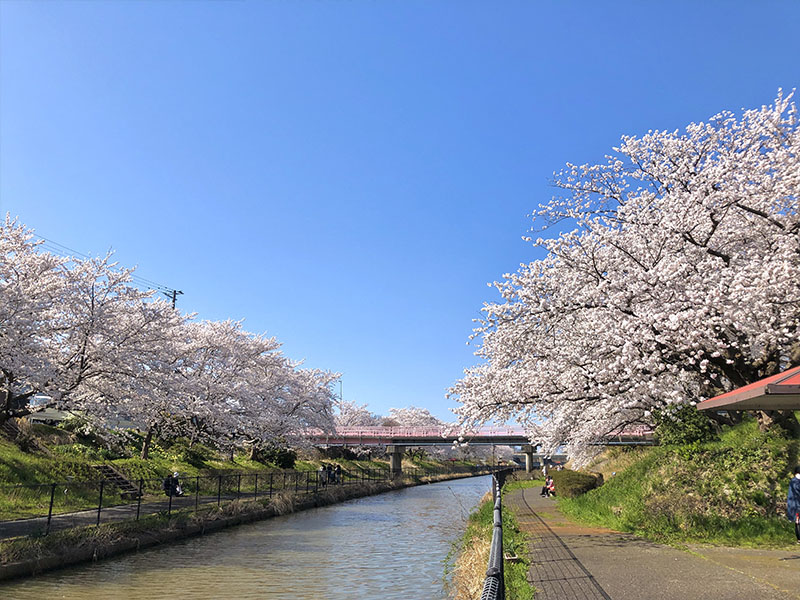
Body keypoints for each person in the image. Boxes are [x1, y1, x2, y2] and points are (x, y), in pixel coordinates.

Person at [787, 466, 800, 543]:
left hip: (794, 505)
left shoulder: (794, 481)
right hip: (796, 505)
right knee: (798, 521)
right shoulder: (795, 482)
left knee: (797, 521)